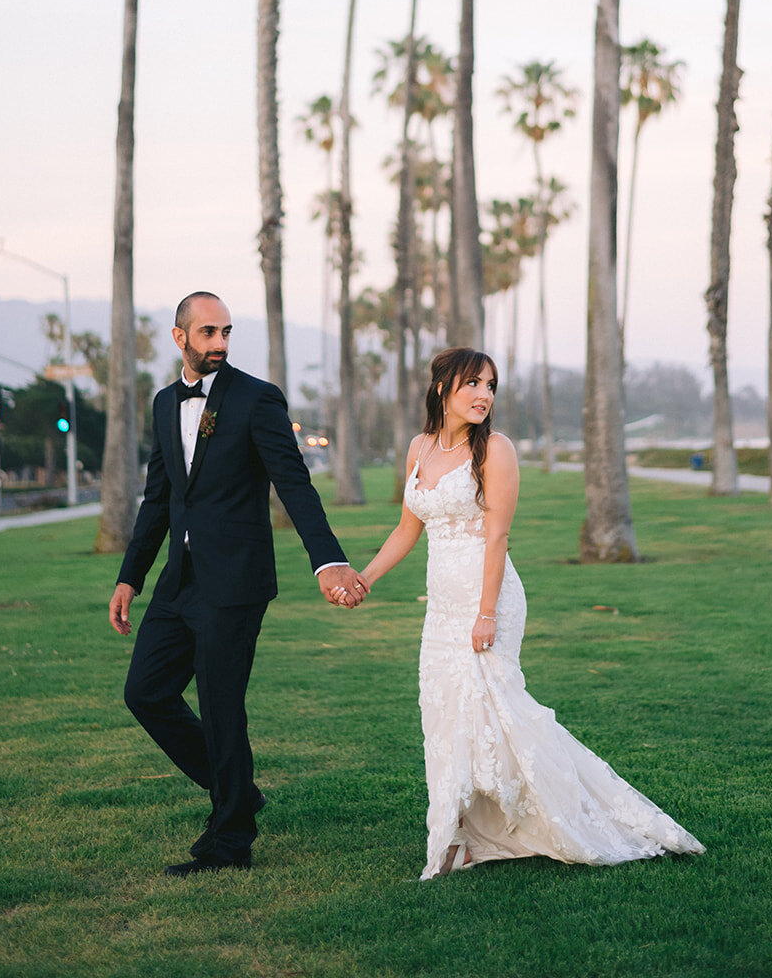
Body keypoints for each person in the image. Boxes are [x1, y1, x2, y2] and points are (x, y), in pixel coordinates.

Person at [357, 347, 704, 879]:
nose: (483, 395)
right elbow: (408, 529)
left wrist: (487, 614)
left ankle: (570, 820)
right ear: (442, 388)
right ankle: (465, 834)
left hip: (488, 597)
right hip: (442, 604)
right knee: (447, 714)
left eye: (491, 386)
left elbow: (497, 536)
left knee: (500, 713)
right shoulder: (419, 449)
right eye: (473, 383)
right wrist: (365, 578)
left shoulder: (495, 449)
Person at [108, 292, 366, 876]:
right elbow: (159, 497)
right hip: (180, 581)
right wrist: (131, 576)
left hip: (236, 584)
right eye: (207, 333)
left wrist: (328, 561)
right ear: (180, 338)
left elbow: (294, 484)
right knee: (145, 692)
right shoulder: (162, 404)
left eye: (225, 331)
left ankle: (230, 842)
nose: (219, 343)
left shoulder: (255, 399)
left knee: (221, 708)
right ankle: (239, 790)